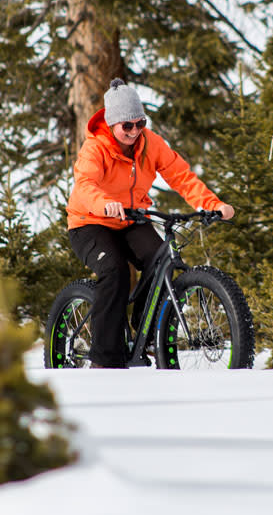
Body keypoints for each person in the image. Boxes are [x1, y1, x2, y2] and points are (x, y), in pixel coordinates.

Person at [66, 79, 234, 368]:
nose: (134, 131)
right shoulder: (96, 148)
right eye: (126, 126)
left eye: (139, 123)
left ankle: (145, 330)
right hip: (90, 221)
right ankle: (105, 361)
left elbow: (181, 176)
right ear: (112, 123)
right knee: (115, 271)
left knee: (160, 261)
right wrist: (104, 203)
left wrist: (211, 204)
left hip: (131, 217)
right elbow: (85, 184)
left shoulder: (150, 144)